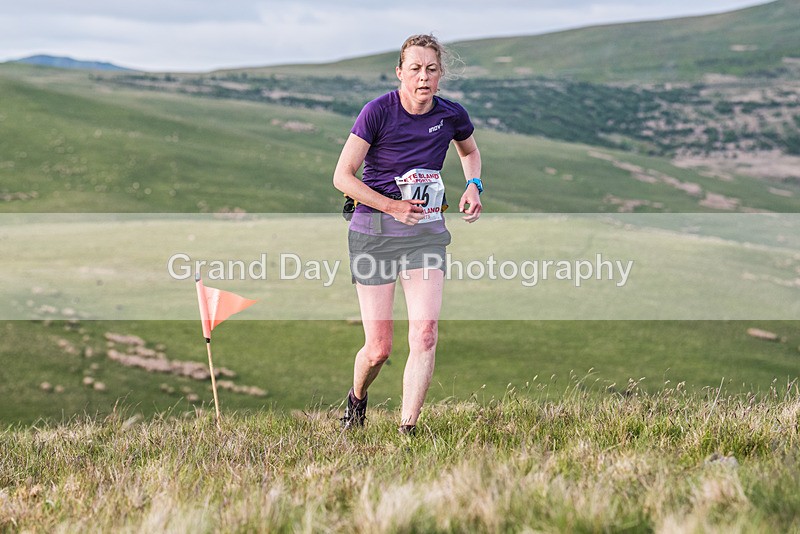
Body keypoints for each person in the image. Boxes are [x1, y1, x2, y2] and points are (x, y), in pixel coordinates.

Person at [332, 34, 483, 435]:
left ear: (440, 75)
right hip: (374, 232)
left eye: (431, 69)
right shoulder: (377, 112)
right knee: (379, 348)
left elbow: (469, 152)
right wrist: (393, 205)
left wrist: (474, 185)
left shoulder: (451, 115)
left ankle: (407, 430)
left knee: (426, 334)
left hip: (426, 233)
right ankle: (357, 399)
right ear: (400, 72)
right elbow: (341, 177)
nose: (423, 77)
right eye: (415, 68)